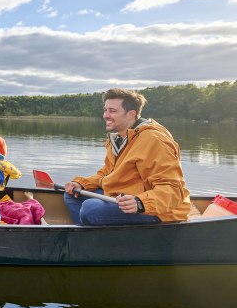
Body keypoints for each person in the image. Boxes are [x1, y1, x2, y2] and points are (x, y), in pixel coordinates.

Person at [63, 88, 190, 225]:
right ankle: (92, 238)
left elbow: (173, 189)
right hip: (123, 197)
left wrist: (140, 202)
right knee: (72, 195)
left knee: (91, 208)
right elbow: (107, 173)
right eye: (105, 110)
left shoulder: (154, 140)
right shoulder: (119, 138)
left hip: (158, 211)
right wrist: (82, 183)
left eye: (112, 111)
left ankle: (93, 239)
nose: (105, 115)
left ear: (131, 114)